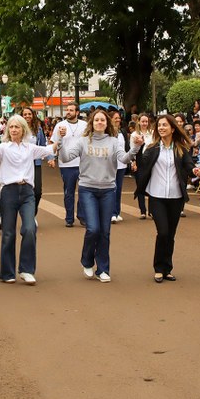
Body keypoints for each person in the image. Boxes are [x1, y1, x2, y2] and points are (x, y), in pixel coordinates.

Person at [59, 109, 142, 283]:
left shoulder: (113, 142)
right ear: (92, 122)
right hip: (87, 189)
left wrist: (135, 147)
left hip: (108, 190)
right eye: (96, 120)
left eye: (102, 120)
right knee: (93, 229)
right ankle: (87, 261)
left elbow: (124, 159)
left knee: (105, 231)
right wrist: (60, 141)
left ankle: (103, 269)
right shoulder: (83, 141)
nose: (99, 122)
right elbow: (66, 158)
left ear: (107, 123)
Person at [0, 115, 59, 285]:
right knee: (8, 233)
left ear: (23, 130)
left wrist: (61, 137)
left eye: (17, 127)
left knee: (29, 229)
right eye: (11, 127)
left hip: (27, 192)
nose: (14, 130)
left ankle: (27, 270)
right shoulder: (4, 147)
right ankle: (7, 273)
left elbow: (50, 149)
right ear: (7, 130)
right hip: (8, 192)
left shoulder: (30, 148)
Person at [135, 114, 200, 283]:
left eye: (165, 125)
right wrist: (138, 149)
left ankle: (167, 268)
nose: (161, 128)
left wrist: (195, 171)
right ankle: (158, 268)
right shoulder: (152, 148)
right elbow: (142, 165)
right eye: (159, 125)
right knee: (163, 232)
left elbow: (189, 165)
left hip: (176, 197)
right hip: (156, 196)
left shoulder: (180, 149)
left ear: (172, 129)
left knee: (170, 234)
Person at [50, 102, 87, 227]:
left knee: (84, 191)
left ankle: (82, 216)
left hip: (83, 163)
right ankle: (69, 218)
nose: (68, 112)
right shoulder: (60, 125)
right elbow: (53, 142)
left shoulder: (84, 125)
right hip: (66, 164)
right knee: (69, 192)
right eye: (67, 110)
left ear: (77, 112)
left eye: (71, 110)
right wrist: (52, 157)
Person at [132, 113, 154, 219]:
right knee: (140, 186)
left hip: (151, 162)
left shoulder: (153, 133)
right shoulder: (134, 134)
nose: (144, 123)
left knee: (152, 187)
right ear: (139, 122)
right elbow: (132, 150)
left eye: (146, 121)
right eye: (143, 121)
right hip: (139, 162)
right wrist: (133, 162)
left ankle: (152, 210)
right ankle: (142, 211)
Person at [110, 110, 128, 224]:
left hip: (121, 165)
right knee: (113, 188)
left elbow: (126, 147)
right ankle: (111, 213)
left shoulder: (123, 132)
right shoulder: (107, 132)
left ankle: (117, 212)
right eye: (115, 118)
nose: (118, 120)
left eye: (119, 118)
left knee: (119, 189)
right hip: (110, 165)